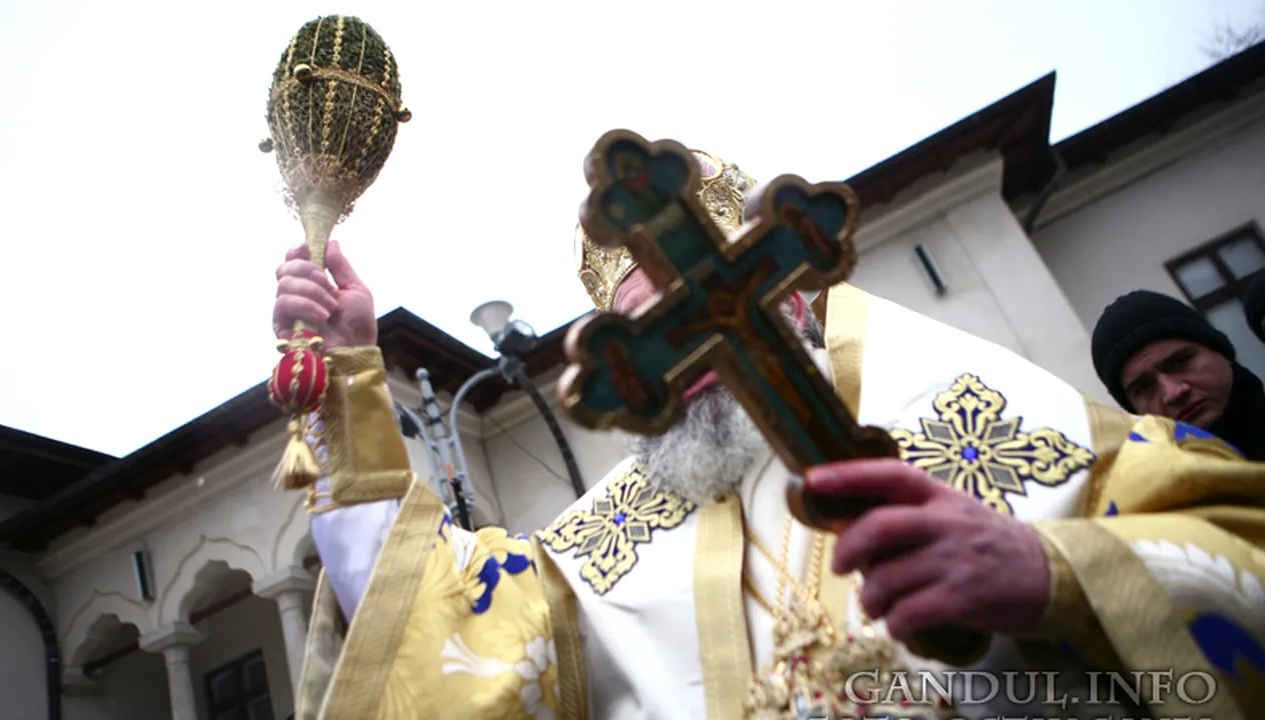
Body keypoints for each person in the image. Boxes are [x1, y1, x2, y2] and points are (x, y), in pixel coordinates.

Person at [275, 151, 1265, 720]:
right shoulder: (599, 550)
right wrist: (352, 386)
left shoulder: (976, 407)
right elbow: (444, 638)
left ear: (788, 287)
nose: (692, 350)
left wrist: (1060, 574)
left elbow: (1237, 544)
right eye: (653, 333)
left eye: (704, 303)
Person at [1091, 289, 1265, 460]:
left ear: (1221, 352)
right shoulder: (1159, 488)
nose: (1174, 393)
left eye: (1181, 362)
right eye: (1144, 387)